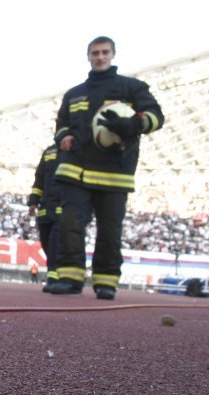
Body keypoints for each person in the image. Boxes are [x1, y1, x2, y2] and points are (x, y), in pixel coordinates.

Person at [47, 36, 164, 300]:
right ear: (88, 56)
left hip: (115, 174)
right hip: (75, 171)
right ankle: (69, 277)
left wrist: (134, 124)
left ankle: (106, 281)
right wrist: (63, 136)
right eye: (95, 53)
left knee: (109, 231)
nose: (99, 57)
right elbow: (61, 125)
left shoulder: (132, 88)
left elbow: (157, 117)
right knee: (70, 225)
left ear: (113, 54)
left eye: (104, 52)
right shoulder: (74, 93)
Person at [27, 144, 63, 292]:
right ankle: (55, 273)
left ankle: (54, 276)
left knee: (55, 243)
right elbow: (39, 178)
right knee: (46, 242)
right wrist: (33, 201)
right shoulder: (49, 151)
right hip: (45, 207)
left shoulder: (76, 149)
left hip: (63, 206)